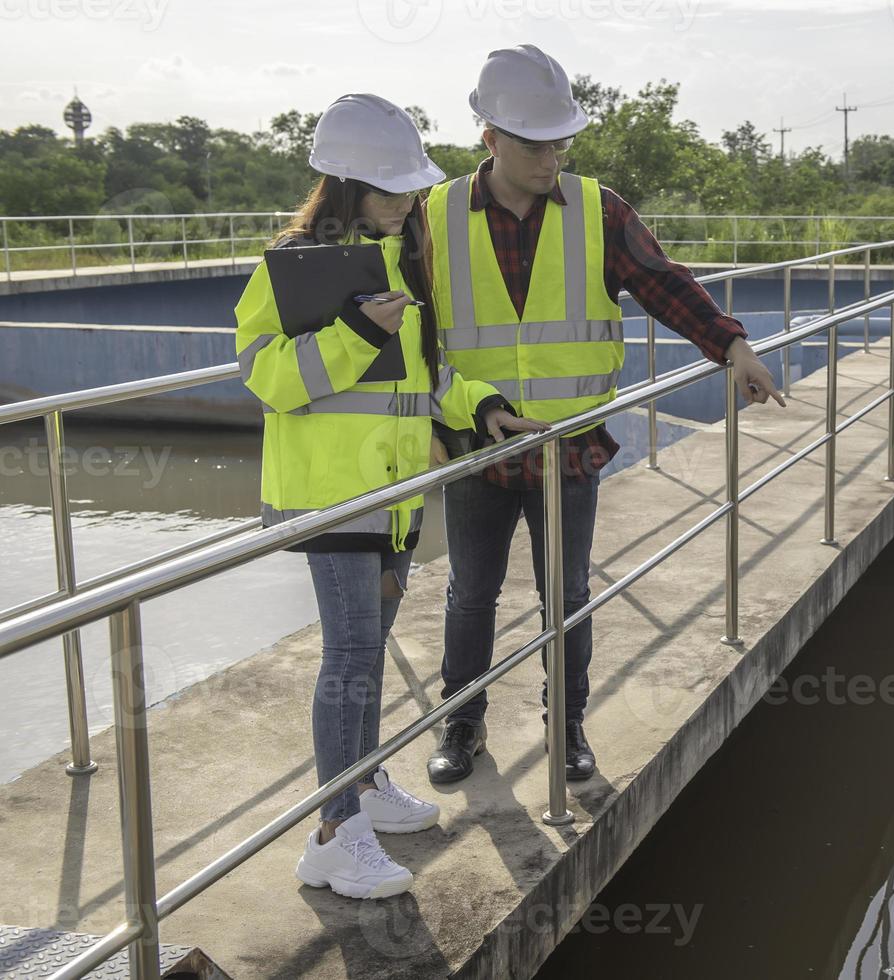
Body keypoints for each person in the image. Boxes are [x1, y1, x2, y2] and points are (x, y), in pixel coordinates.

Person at [421, 44, 786, 787]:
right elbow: (417, 340)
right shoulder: (434, 216)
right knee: (471, 594)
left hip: (569, 444)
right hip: (477, 441)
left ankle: (567, 726)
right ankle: (461, 725)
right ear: (489, 138)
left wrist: (733, 346)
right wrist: (445, 414)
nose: (551, 157)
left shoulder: (599, 209)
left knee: (568, 596)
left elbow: (664, 285)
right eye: (535, 144)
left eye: (560, 142)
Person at [233, 93, 548, 899]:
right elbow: (268, 379)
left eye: (411, 189)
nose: (408, 203)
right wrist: (356, 334)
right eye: (390, 190)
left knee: (368, 651)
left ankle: (365, 783)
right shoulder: (290, 265)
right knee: (347, 657)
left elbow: (424, 378)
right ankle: (333, 834)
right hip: (333, 497)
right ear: (344, 186)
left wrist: (479, 405)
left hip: (396, 495)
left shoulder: (396, 260)